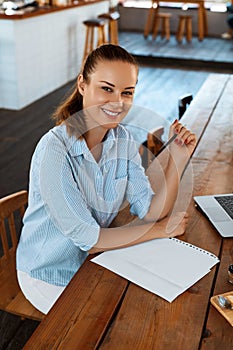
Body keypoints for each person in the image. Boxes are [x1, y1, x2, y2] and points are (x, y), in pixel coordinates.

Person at [16, 44, 197, 314]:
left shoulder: (123, 140)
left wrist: (178, 157)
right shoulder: (53, 150)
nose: (117, 102)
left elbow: (149, 211)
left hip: (95, 262)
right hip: (49, 274)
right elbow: (89, 239)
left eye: (127, 92)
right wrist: (161, 230)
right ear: (82, 85)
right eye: (107, 88)